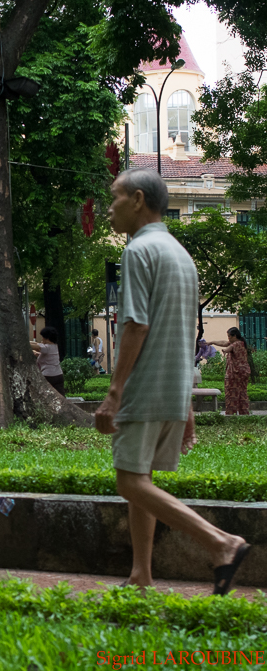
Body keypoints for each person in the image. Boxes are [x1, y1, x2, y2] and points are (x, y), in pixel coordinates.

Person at [96, 167, 250, 594]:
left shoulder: (138, 251)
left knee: (128, 481)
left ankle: (222, 543)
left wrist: (114, 392)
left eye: (115, 198)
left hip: (144, 386)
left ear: (139, 199)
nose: (109, 208)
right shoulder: (181, 255)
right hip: (171, 387)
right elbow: (186, 333)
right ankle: (140, 575)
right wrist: (184, 402)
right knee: (141, 479)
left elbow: (136, 326)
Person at [208, 327, 252, 415]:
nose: (228, 339)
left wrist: (225, 350)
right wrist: (212, 342)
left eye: (229, 337)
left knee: (232, 394)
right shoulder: (242, 343)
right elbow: (224, 343)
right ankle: (244, 414)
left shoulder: (235, 344)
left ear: (234, 336)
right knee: (242, 393)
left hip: (235, 374)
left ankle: (231, 414)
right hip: (244, 373)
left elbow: (229, 348)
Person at [30, 327, 65, 395]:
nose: (42, 339)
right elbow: (36, 344)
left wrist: (23, 342)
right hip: (59, 375)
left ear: (47, 338)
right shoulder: (54, 346)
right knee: (61, 396)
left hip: (48, 376)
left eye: (43, 337)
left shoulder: (47, 347)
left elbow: (36, 346)